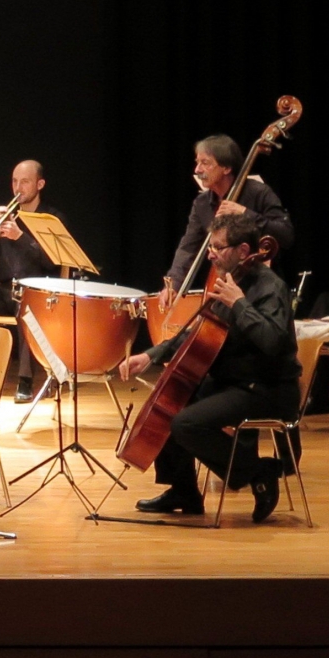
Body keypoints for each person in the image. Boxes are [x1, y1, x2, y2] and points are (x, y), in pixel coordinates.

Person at [120, 210, 297, 523]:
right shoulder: (231, 280)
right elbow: (199, 332)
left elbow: (274, 342)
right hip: (234, 380)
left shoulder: (270, 287)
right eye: (210, 247)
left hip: (267, 386)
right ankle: (184, 490)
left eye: (218, 248)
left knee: (187, 424)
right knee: (172, 400)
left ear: (244, 251)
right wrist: (151, 355)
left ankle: (261, 472)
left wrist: (239, 303)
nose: (211, 254)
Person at [158, 134, 296, 314]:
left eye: (205, 163)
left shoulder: (258, 192)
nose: (198, 169)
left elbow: (286, 234)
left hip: (261, 291)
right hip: (221, 290)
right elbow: (188, 248)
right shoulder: (201, 204)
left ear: (226, 168)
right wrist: (174, 283)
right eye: (197, 162)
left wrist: (245, 214)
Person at [0, 160, 64, 402]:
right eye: (14, 181)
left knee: (25, 309)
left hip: (36, 290)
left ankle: (25, 381)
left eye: (24, 181)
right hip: (4, 289)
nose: (18, 187)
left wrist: (20, 237)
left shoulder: (52, 218)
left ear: (39, 184)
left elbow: (52, 262)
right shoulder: (8, 215)